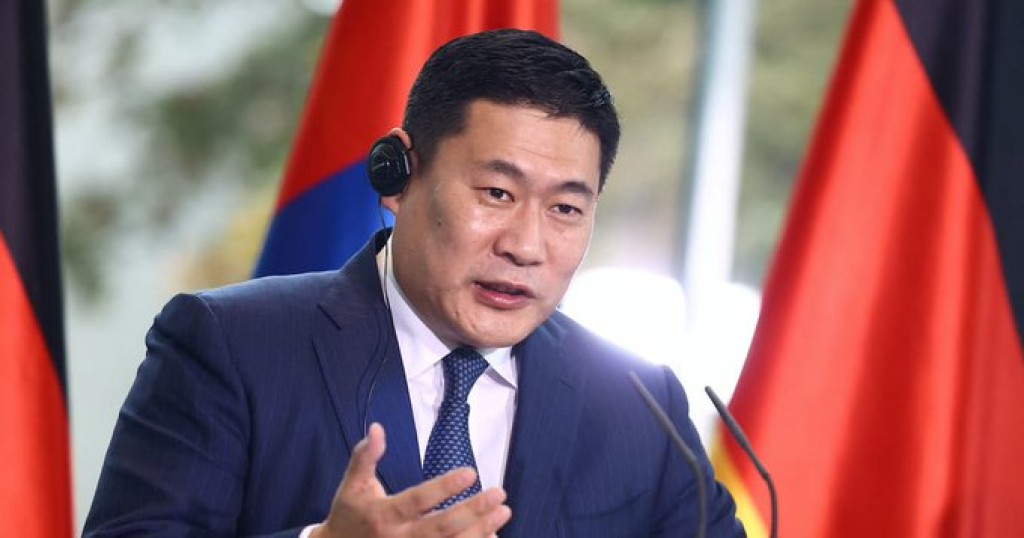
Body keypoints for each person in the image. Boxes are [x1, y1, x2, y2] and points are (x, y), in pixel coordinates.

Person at [84, 29, 745, 537]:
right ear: (397, 174)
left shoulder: (639, 405)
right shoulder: (231, 346)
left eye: (566, 208)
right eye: (496, 193)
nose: (525, 246)